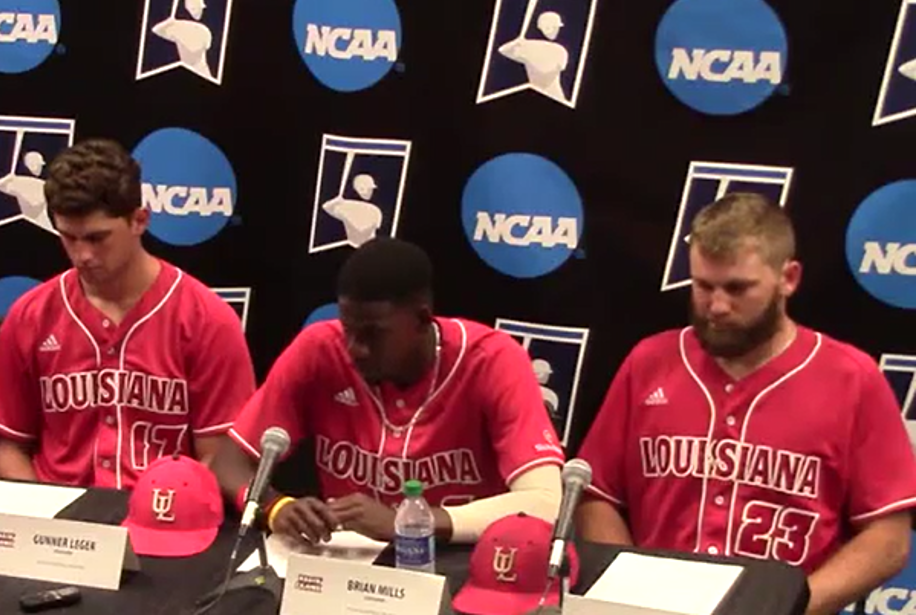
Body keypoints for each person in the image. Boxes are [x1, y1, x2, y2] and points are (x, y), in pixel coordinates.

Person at [574, 192, 916, 615]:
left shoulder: (852, 379)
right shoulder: (649, 362)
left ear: (788, 278)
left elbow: (888, 539)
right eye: (703, 286)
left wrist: (789, 606)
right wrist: (631, 596)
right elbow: (597, 495)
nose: (716, 306)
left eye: (738, 288)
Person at [211, 237, 565, 544]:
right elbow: (229, 462)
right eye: (348, 329)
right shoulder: (320, 350)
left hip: (457, 557)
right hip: (346, 561)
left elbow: (544, 502)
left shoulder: (493, 360)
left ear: (422, 320)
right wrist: (275, 506)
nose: (354, 348)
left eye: (372, 335)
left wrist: (410, 523)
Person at [0, 138, 257, 490]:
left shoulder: (206, 319)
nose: (83, 255)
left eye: (97, 238)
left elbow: (217, 459)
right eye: (69, 237)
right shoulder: (30, 315)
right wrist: (40, 518)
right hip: (53, 518)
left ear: (139, 220)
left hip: (161, 518)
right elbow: (9, 448)